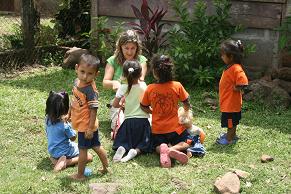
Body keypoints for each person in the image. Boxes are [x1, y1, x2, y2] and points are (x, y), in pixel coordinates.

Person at [140, 55, 191, 168]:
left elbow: (143, 106)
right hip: (175, 129)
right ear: (171, 70)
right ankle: (173, 149)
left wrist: (152, 112)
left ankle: (163, 150)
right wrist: (186, 112)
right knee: (186, 142)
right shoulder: (177, 86)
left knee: (156, 146)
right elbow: (186, 103)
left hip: (158, 129)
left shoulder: (150, 88)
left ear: (154, 72)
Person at [69, 54, 109, 181]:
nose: (85, 76)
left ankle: (80, 175)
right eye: (82, 72)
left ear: (96, 74)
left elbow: (94, 110)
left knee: (82, 150)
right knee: (96, 146)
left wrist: (90, 128)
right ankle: (106, 168)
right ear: (76, 68)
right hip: (82, 122)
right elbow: (74, 100)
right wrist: (69, 113)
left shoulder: (90, 90)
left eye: (90, 74)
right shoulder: (77, 82)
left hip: (86, 125)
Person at [102, 30, 148, 137]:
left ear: (137, 48)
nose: (129, 52)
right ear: (120, 47)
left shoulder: (141, 60)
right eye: (126, 48)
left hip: (137, 99)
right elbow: (105, 82)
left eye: (133, 48)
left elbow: (140, 80)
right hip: (117, 100)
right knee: (120, 125)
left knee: (147, 123)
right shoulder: (112, 61)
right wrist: (114, 83)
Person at [111, 60, 152, 162]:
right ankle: (136, 151)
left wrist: (122, 106)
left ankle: (123, 148)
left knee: (125, 139)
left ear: (124, 74)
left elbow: (115, 104)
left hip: (128, 122)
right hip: (143, 122)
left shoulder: (123, 87)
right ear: (141, 74)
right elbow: (148, 103)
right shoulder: (144, 86)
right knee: (144, 143)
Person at [45, 91, 93, 172]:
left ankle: (55, 159)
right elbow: (73, 138)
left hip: (52, 150)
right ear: (65, 109)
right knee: (89, 156)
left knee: (75, 145)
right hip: (64, 151)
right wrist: (72, 125)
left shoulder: (47, 119)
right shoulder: (65, 125)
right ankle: (67, 162)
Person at [216, 39, 248, 145]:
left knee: (231, 123)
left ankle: (229, 139)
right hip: (228, 103)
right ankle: (231, 135)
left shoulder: (236, 68)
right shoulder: (231, 67)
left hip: (231, 104)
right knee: (231, 122)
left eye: (223, 55)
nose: (221, 57)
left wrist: (237, 88)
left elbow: (243, 81)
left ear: (231, 57)